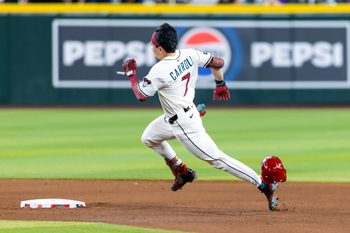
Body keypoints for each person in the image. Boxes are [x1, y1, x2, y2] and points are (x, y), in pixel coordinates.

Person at [120, 23, 286, 211]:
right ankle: (181, 171)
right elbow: (218, 63)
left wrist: (131, 75)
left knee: (217, 159)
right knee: (149, 137)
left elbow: (141, 95)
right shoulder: (189, 54)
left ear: (159, 48)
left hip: (184, 124)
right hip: (179, 114)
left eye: (153, 45)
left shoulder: (160, 70)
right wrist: (220, 83)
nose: (151, 48)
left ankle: (264, 185)